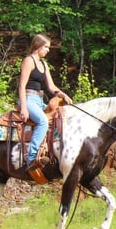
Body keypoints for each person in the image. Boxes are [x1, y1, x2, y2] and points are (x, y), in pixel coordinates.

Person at [17, 34, 73, 171]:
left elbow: (51, 87)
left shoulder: (44, 64)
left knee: (60, 116)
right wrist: (24, 107)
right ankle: (31, 159)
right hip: (28, 99)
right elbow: (21, 86)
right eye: (46, 47)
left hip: (39, 100)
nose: (48, 50)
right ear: (37, 46)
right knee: (42, 121)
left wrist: (63, 95)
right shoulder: (28, 61)